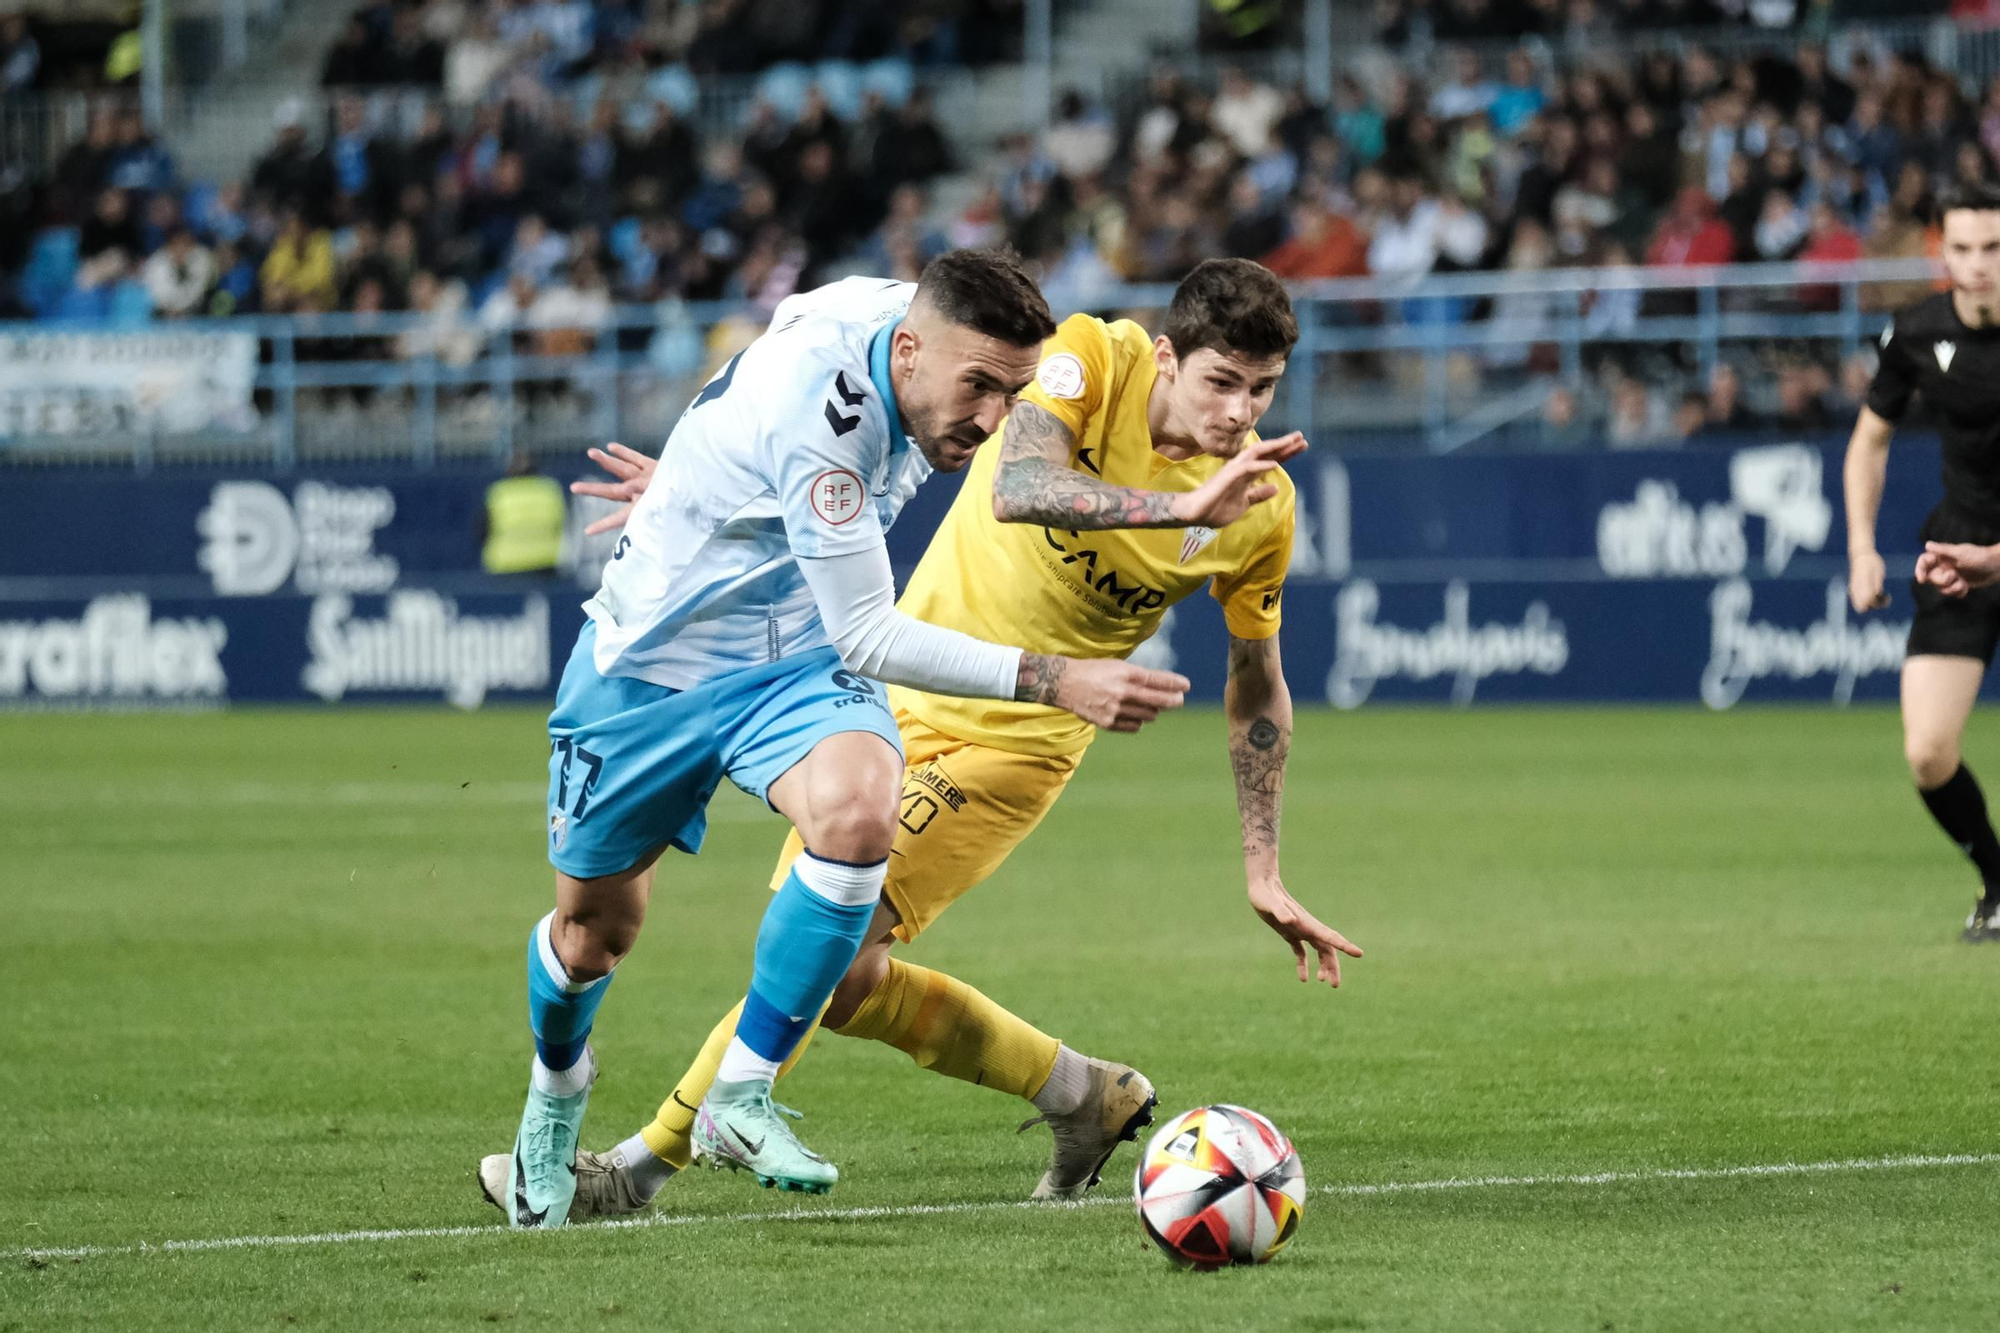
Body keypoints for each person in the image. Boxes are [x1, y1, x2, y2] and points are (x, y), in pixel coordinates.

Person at [478, 258, 1361, 1222]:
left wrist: (1262, 863)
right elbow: (1019, 482)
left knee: (830, 937)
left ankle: (638, 1170)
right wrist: (722, 486)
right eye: (1220, 382)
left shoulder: (1261, 508)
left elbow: (1255, 683)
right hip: (896, 672)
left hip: (1015, 743)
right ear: (1166, 358)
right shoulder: (1086, 360)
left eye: (1262, 389)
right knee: (840, 979)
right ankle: (1082, 1094)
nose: (1240, 413)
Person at [1844, 182, 2000, 944]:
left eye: (1995, 249)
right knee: (1929, 752)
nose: (1978, 266)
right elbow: (1869, 441)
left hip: (1990, 555)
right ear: (1942, 249)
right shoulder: (1913, 332)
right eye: (1963, 248)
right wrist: (1862, 547)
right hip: (1957, 551)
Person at [480, 451, 566, 577]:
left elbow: (482, 529)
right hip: (545, 562)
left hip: (506, 565)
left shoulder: (499, 492)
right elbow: (562, 524)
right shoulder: (549, 489)